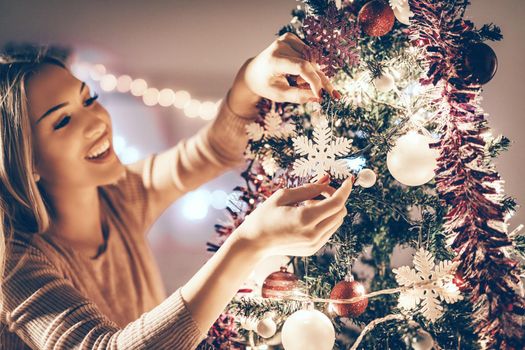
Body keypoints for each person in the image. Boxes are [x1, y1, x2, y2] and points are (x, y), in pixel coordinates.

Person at [0, 32, 353, 349]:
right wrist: (249, 244)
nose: (96, 121)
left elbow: (212, 151)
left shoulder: (119, 194)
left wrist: (249, 80)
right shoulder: (14, 267)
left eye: (88, 100)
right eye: (62, 120)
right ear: (24, 159)